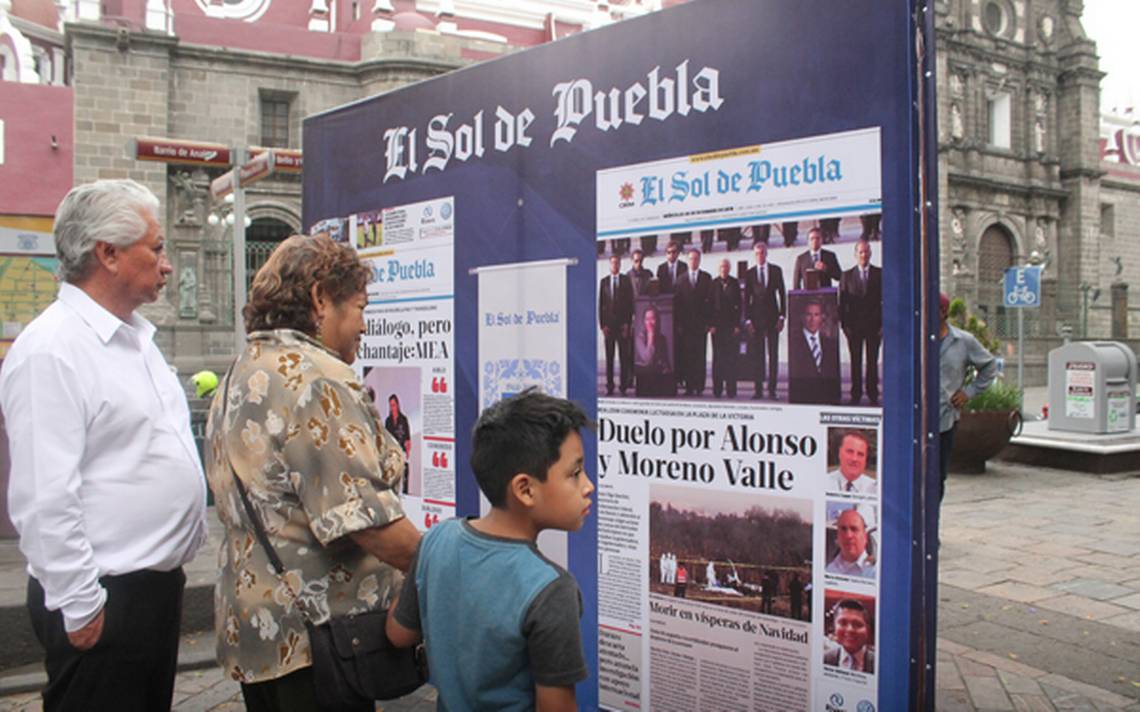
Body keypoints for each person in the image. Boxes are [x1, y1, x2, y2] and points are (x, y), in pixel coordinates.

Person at [0, 179, 207, 710]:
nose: (167, 264)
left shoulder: (134, 337)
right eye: (156, 248)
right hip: (102, 598)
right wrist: (80, 604)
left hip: (150, 590)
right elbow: (45, 496)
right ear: (108, 254)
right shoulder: (53, 350)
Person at [206, 234, 420, 711]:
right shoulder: (317, 378)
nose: (364, 325)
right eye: (360, 307)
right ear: (321, 298)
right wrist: (454, 567)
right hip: (319, 640)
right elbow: (367, 520)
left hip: (259, 630)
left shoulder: (243, 370)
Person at [387, 389, 593, 710]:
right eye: (575, 473)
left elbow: (398, 633)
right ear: (525, 489)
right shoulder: (552, 591)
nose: (588, 485)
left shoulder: (436, 539)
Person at [939, 293, 998, 500]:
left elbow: (989, 366)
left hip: (944, 420)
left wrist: (969, 392)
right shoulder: (915, 338)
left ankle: (931, 529)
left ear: (943, 313)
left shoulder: (963, 341)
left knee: (937, 479)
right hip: (914, 421)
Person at [839, 239, 883, 405]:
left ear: (870, 254)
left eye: (866, 252)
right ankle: (855, 393)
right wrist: (845, 325)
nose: (863, 255)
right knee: (855, 361)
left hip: (874, 326)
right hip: (854, 327)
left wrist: (883, 325)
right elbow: (842, 303)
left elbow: (885, 300)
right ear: (855, 254)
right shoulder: (847, 275)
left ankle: (872, 393)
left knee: (872, 361)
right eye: (861, 252)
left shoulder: (879, 274)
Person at [743, 242, 786, 400]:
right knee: (757, 355)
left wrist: (782, 316)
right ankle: (758, 389)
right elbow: (747, 299)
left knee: (773, 355)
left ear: (766, 254)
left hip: (773, 319)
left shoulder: (776, 270)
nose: (760, 256)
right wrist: (748, 320)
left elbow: (782, 294)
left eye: (762, 253)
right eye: (757, 253)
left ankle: (772, 389)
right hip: (756, 320)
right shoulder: (750, 274)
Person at [788, 299, 841, 404]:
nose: (812, 319)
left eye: (816, 315)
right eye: (809, 315)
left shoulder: (829, 344)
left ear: (822, 318)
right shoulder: (795, 344)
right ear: (803, 317)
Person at [674, 248, 712, 395]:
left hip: (701, 325)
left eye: (696, 258)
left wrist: (708, 323)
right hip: (686, 325)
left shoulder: (706, 278)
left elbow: (709, 303)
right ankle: (689, 387)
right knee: (688, 356)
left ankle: (699, 387)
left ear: (700, 260)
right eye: (691, 258)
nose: (693, 261)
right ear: (688, 260)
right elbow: (677, 305)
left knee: (700, 356)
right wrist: (678, 324)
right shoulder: (680, 279)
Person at [599, 253, 635, 396]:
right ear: (609, 264)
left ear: (620, 265)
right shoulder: (604, 282)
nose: (615, 265)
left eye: (617, 263)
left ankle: (623, 386)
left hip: (622, 326)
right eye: (613, 263)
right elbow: (601, 304)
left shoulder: (626, 281)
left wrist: (627, 324)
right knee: (609, 358)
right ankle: (609, 385)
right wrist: (602, 325)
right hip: (609, 326)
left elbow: (629, 304)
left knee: (624, 357)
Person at [709, 258, 741, 398]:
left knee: (731, 359)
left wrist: (737, 325)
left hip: (730, 327)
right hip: (717, 327)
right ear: (719, 269)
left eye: (726, 267)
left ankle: (731, 390)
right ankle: (717, 390)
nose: (724, 269)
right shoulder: (713, 284)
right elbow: (708, 306)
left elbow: (740, 305)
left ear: (729, 268)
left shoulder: (734, 283)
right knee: (718, 359)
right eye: (722, 267)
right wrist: (710, 325)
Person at [824, 600, 875, 673]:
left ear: (868, 629)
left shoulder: (877, 662)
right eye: (843, 623)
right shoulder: (825, 659)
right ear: (834, 627)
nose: (850, 629)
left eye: (857, 624)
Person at [826, 509, 877, 578]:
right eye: (843, 529)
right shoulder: (829, 569)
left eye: (854, 529)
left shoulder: (874, 571)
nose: (848, 535)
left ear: (865, 537)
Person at [386, 394, 413, 494]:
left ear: (397, 405)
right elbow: (386, 437)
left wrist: (408, 448)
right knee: (393, 474)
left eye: (393, 405)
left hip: (402, 450)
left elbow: (408, 438)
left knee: (405, 472)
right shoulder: (388, 421)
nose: (392, 407)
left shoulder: (404, 420)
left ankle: (405, 492)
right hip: (393, 452)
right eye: (390, 405)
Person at [634, 306, 671, 374]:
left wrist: (667, 369)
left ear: (657, 320)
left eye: (652, 318)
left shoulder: (662, 338)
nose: (650, 323)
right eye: (647, 319)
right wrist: (650, 337)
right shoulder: (639, 339)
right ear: (644, 321)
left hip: (659, 374)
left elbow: (666, 361)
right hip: (644, 373)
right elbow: (648, 361)